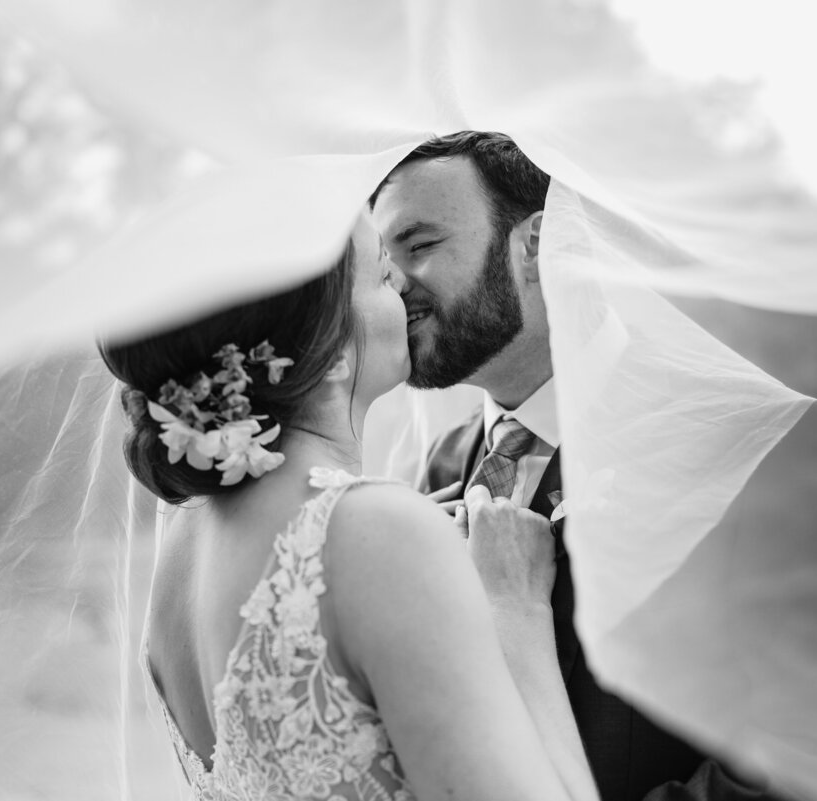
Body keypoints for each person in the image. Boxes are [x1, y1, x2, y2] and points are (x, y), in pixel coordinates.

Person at [369, 131, 817, 801]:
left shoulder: (762, 448)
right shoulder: (431, 472)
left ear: (537, 245)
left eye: (419, 245)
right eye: (381, 259)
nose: (393, 284)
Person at [100, 214, 602, 801]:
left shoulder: (184, 537)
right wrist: (514, 606)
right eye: (385, 277)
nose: (407, 292)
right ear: (329, 348)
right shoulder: (375, 529)